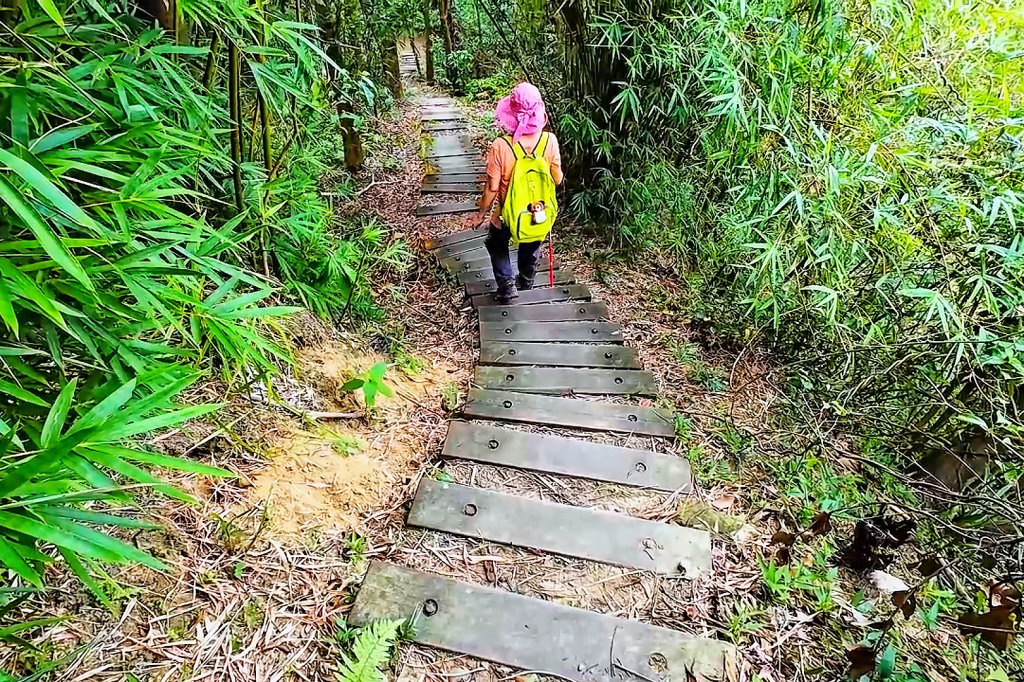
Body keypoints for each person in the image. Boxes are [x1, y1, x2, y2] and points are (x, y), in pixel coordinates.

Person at [462, 82, 563, 304]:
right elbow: (558, 179)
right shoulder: (550, 141)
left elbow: (492, 187)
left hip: (505, 212)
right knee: (532, 240)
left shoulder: (501, 146)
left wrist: (480, 214)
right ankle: (526, 279)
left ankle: (507, 287)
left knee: (496, 243)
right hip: (538, 211)